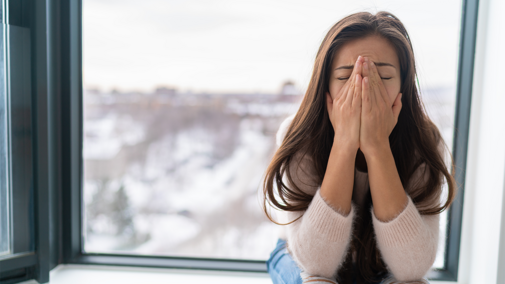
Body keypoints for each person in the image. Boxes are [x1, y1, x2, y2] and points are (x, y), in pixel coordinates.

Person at [262, 11, 457, 284]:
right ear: (325, 87)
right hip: (298, 259)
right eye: (345, 78)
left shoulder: (424, 140)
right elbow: (316, 264)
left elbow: (413, 268)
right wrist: (344, 142)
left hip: (380, 265)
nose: (365, 90)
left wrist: (377, 146)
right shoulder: (299, 134)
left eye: (384, 78)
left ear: (404, 85)